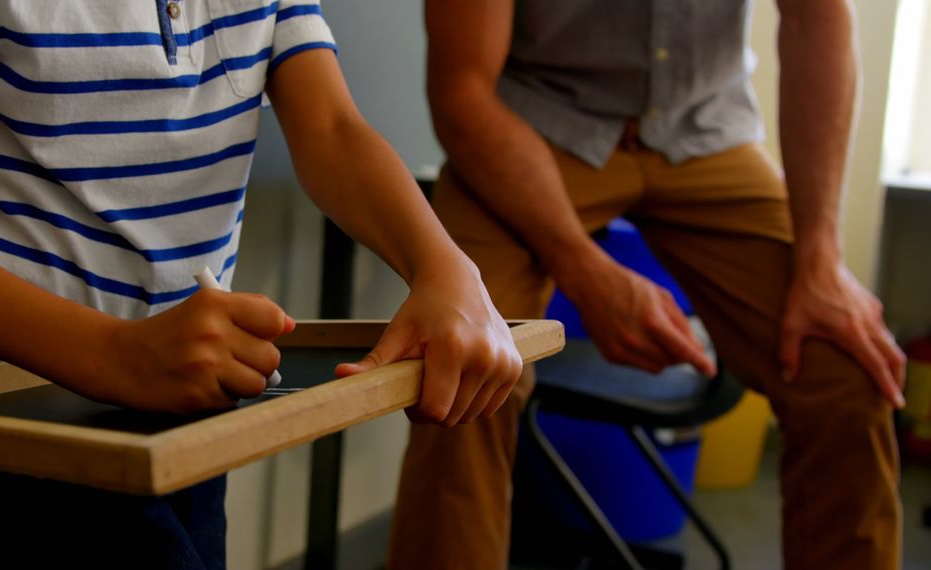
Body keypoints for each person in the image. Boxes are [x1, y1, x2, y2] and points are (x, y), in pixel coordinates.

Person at [0, 1, 523, 568]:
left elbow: (332, 129)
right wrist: (115, 355)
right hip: (21, 403)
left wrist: (448, 270)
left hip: (193, 393)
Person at [388, 1, 906, 568]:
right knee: (461, 370)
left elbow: (819, 19)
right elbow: (462, 89)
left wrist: (822, 260)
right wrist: (586, 272)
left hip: (705, 132)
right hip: (533, 127)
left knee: (848, 365)